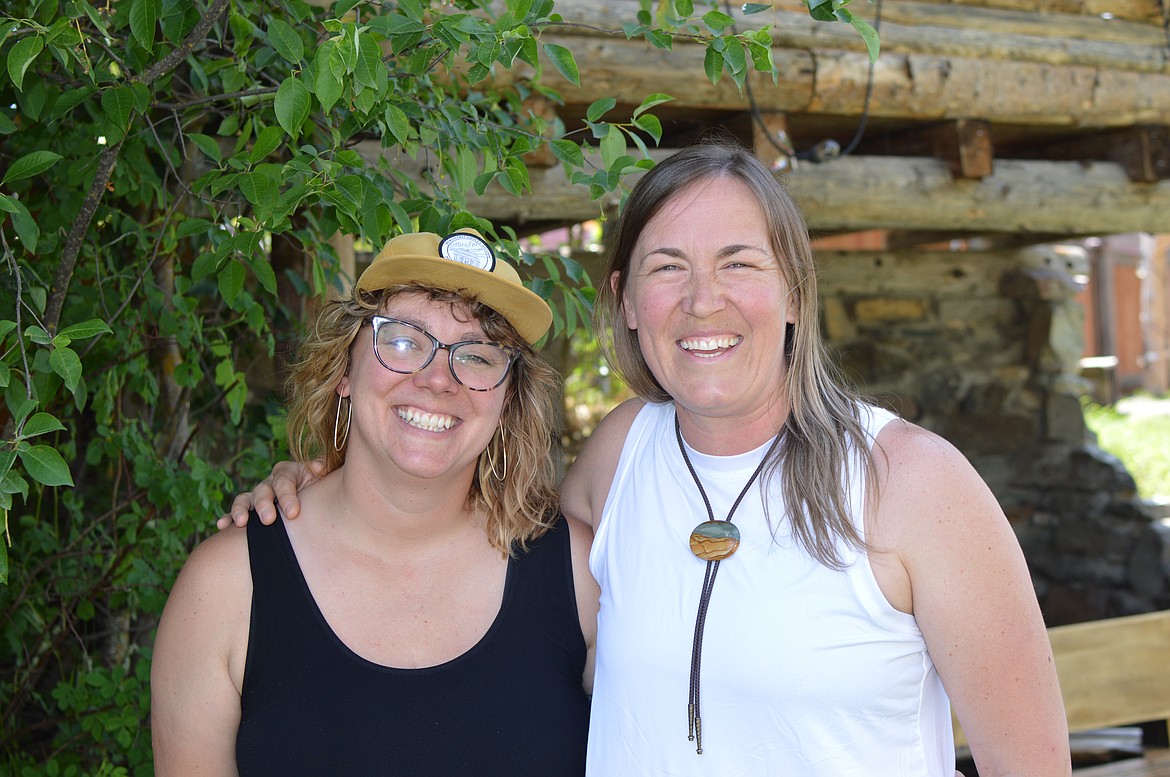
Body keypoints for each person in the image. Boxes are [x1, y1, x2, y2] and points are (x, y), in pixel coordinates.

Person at [227, 142, 1071, 776]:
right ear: (628, 301)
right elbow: (464, 530)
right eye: (669, 268)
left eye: (739, 263)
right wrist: (320, 484)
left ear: (795, 292)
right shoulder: (625, 452)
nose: (704, 300)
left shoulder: (909, 484)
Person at [152, 228, 599, 776]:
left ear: (507, 401)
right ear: (344, 368)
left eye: (478, 356)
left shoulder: (578, 573)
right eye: (405, 340)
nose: (438, 380)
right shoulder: (225, 587)